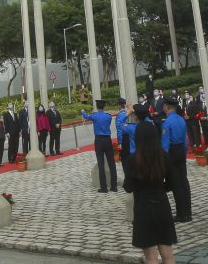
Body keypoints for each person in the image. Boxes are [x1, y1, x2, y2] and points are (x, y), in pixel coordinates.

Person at [126, 122, 177, 264]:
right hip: (162, 205)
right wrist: (160, 188)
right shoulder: (164, 156)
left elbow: (128, 187)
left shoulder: (132, 159)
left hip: (143, 208)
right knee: (168, 256)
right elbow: (172, 183)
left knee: (151, 258)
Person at [160, 98, 192, 222]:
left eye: (164, 106)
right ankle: (188, 212)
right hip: (181, 151)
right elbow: (185, 140)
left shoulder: (167, 122)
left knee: (175, 183)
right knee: (184, 181)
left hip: (172, 152)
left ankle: (181, 214)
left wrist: (164, 161)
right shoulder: (181, 119)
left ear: (167, 108)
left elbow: (165, 145)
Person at [82, 99, 117, 193]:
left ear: (97, 107)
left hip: (99, 140)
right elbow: (108, 124)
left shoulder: (94, 116)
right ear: (104, 107)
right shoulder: (108, 116)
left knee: (101, 164)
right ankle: (114, 186)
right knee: (112, 163)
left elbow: (85, 116)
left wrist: (83, 111)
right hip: (107, 139)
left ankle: (104, 187)